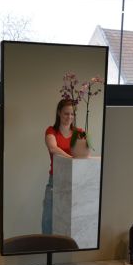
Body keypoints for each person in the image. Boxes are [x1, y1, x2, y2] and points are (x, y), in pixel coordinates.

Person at [41, 99, 79, 234]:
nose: (69, 117)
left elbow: (85, 153)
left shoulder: (79, 132)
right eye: (66, 113)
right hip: (55, 181)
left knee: (70, 223)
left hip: (74, 182)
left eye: (72, 114)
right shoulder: (51, 131)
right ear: (59, 113)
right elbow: (53, 148)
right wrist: (71, 159)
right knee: (48, 221)